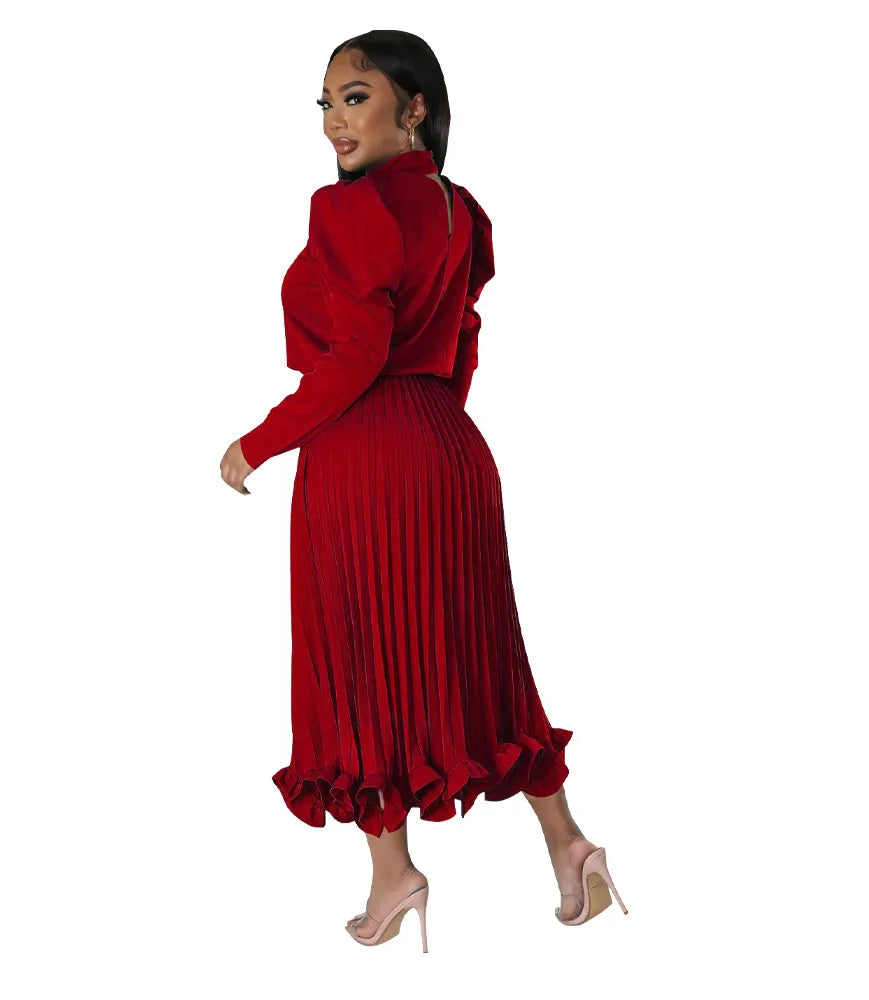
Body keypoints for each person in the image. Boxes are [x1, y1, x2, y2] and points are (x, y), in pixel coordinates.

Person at [219, 30, 627, 949]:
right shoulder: (460, 210)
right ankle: (570, 845)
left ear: (415, 109)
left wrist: (258, 443)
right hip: (450, 448)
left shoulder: (347, 208)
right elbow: (463, 340)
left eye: (355, 97)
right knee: (482, 655)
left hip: (364, 453)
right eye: (325, 103)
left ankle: (393, 873)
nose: (334, 122)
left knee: (362, 660)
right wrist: (433, 436)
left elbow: (356, 355)